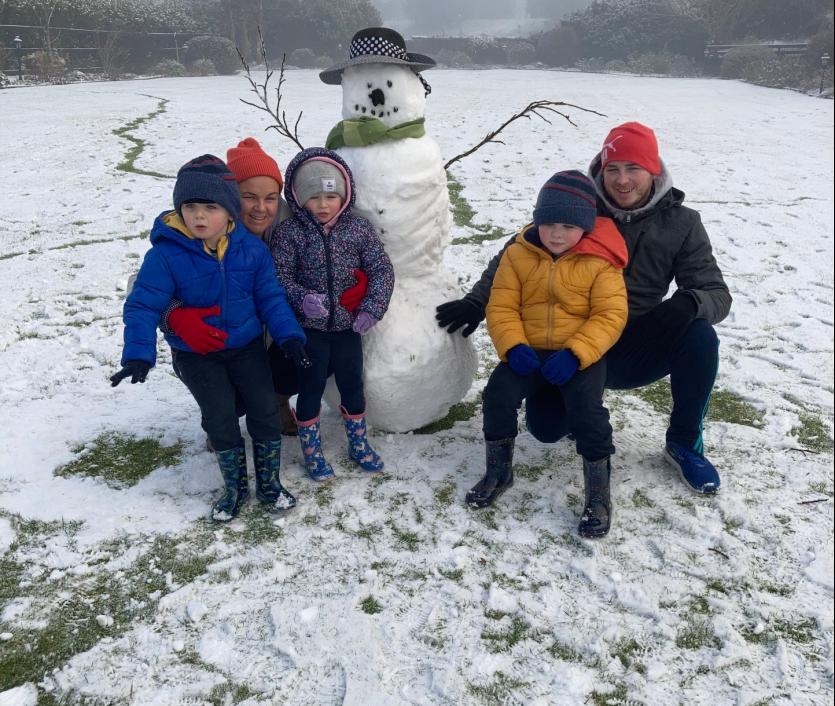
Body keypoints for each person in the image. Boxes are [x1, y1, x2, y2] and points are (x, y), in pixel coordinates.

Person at [438, 122, 732, 494]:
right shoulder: (575, 204)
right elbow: (518, 254)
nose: (622, 180)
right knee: (546, 429)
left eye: (633, 168)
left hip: (633, 344)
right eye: (613, 169)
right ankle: (574, 407)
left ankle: (684, 442)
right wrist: (476, 301)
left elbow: (716, 293)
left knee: (699, 336)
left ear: (653, 170)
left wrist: (689, 304)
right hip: (567, 343)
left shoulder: (683, 224)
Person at [111, 154, 311, 522]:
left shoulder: (251, 249)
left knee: (264, 411)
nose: (199, 216)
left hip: (247, 348)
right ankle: (235, 487)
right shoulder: (165, 255)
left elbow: (271, 297)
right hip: (197, 354)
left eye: (210, 208)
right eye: (190, 207)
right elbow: (142, 303)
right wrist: (139, 352)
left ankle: (269, 483)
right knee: (220, 417)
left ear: (228, 210)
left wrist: (290, 337)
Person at [160, 138, 369, 437]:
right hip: (210, 337)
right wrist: (174, 315)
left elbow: (334, 236)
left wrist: (356, 281)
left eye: (270, 197)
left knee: (319, 349)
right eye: (249, 197)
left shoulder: (287, 219)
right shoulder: (200, 225)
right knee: (228, 401)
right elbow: (140, 286)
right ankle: (219, 416)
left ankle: (277, 400)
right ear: (229, 196)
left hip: (269, 334)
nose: (261, 208)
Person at [466, 171, 627, 538]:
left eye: (568, 226)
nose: (556, 234)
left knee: (587, 410)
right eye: (549, 223)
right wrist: (513, 346)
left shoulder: (602, 261)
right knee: (497, 395)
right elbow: (502, 305)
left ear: (585, 227)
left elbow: (610, 314)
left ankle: (598, 494)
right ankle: (498, 471)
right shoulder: (518, 254)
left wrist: (576, 353)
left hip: (578, 354)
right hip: (528, 349)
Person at [272, 147, 395, 481]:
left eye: (331, 196)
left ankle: (359, 443)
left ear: (345, 194)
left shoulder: (358, 230)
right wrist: (302, 299)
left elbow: (381, 270)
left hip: (347, 329)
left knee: (352, 384)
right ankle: (312, 451)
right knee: (310, 387)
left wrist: (372, 308)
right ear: (298, 198)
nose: (324, 205)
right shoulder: (289, 234)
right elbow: (279, 277)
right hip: (310, 331)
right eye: (314, 197)